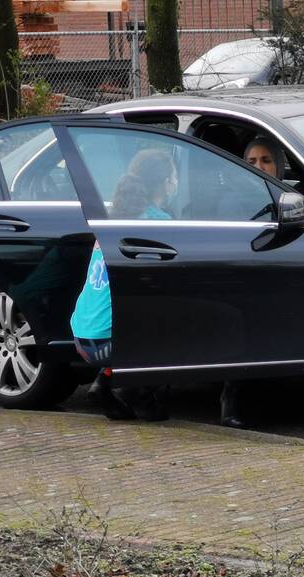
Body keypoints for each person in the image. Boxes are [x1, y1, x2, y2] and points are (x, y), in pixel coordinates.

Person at [70, 149, 177, 421]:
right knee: (182, 315)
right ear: (165, 183)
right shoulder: (160, 223)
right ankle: (138, 391)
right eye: (174, 177)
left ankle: (105, 381)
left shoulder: (113, 220)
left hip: (82, 334)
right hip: (110, 340)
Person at [243, 136, 304, 213]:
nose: (258, 167)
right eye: (251, 162)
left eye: (266, 161)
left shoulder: (294, 198)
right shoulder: (237, 198)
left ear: (279, 164)